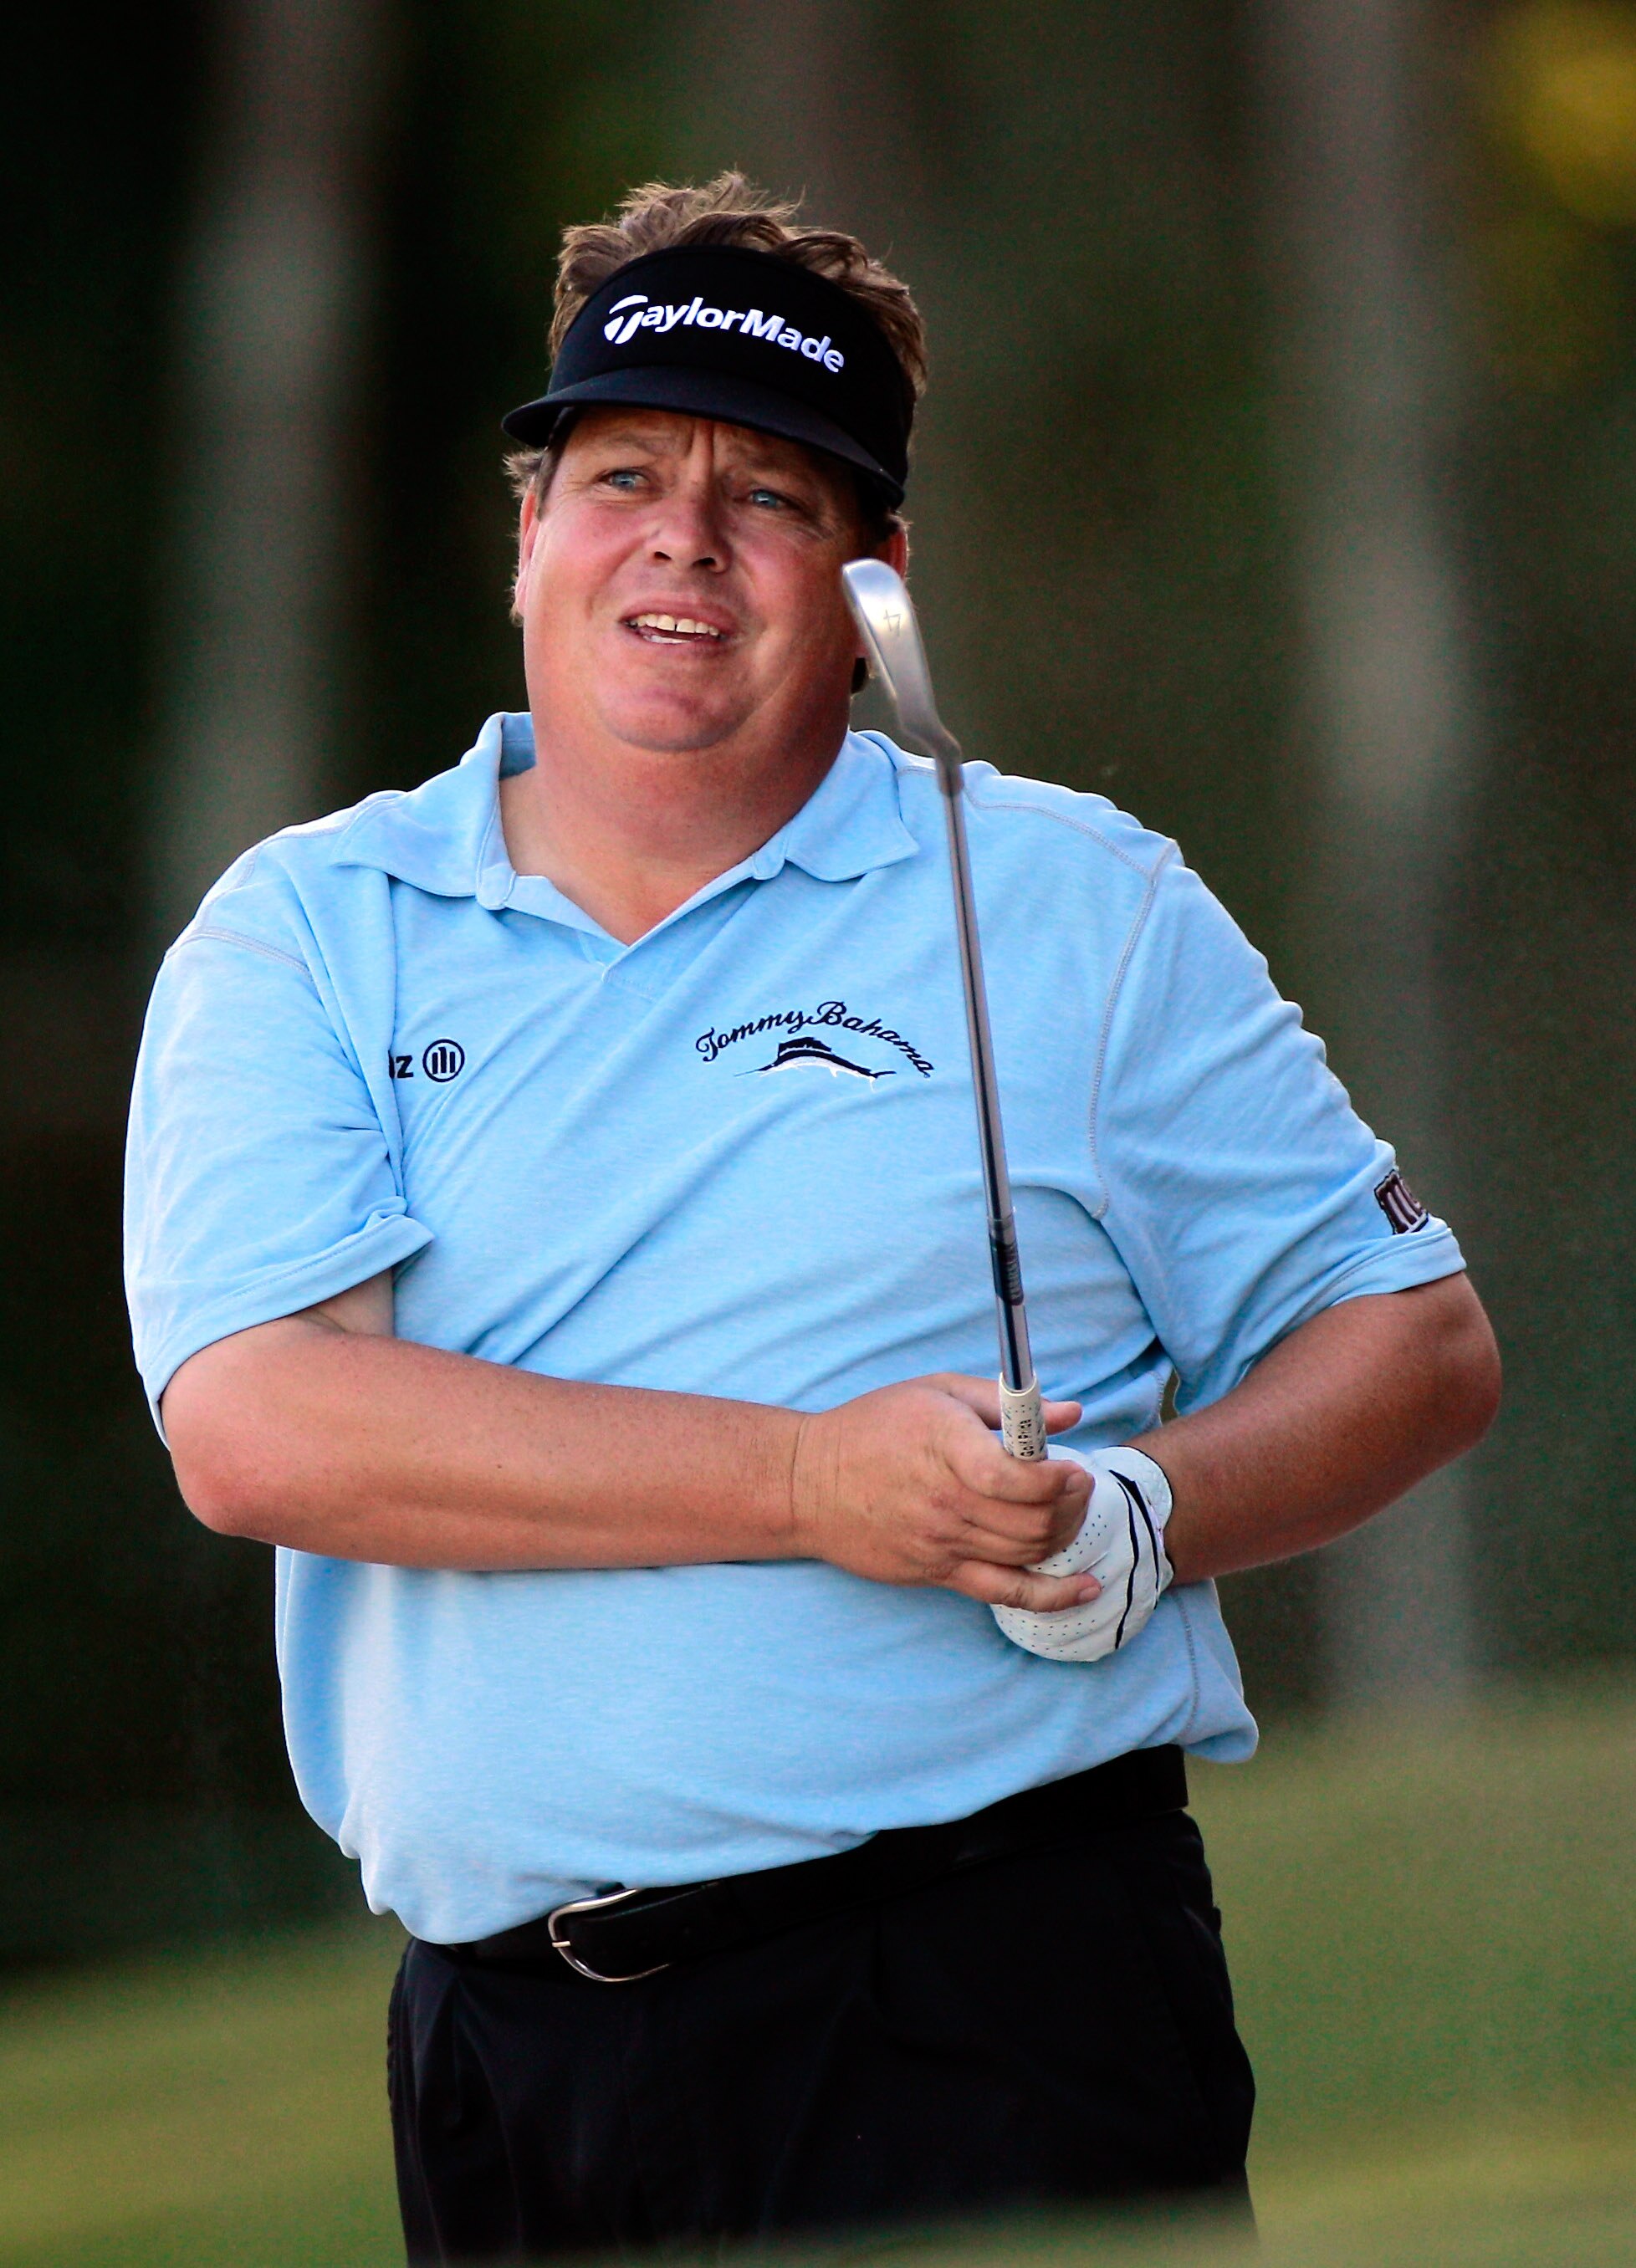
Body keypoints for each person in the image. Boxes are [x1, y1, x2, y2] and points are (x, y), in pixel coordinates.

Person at [124, 174, 1500, 2261]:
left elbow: (1412, 1339)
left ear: (873, 582)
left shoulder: (1073, 906)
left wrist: (1149, 1511)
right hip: (505, 2062)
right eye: (623, 475)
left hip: (983, 1996)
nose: (680, 534)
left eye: (766, 493)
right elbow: (261, 1425)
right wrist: (803, 1478)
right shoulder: (312, 932)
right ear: (530, 535)